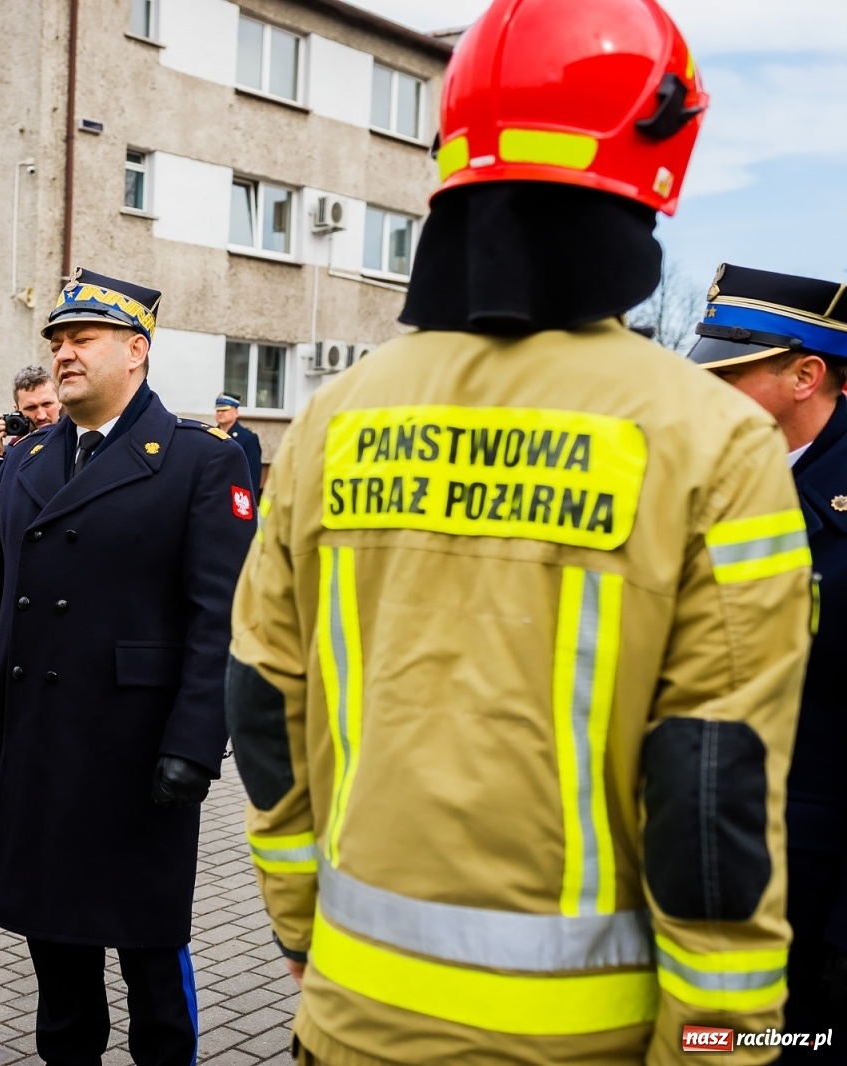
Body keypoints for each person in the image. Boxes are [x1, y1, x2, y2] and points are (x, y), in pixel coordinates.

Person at [225, 2, 814, 1063]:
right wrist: (718, 1046)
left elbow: (262, 700)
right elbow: (710, 788)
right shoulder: (713, 440)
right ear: (660, 149)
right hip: (586, 1038)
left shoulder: (330, 417)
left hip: (349, 1009)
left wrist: (300, 926)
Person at [0, 268, 256, 1066]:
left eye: (82, 339)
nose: (63, 356)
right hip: (38, 742)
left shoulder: (198, 460)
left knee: (150, 955)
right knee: (57, 958)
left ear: (136, 352)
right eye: (56, 342)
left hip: (135, 752)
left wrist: (194, 742)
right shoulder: (29, 458)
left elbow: (218, 617)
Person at [690, 263, 847, 1051]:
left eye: (730, 375)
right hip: (706, 863)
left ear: (806, 375)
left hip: (814, 889)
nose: (708, 397)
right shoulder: (712, 479)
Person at [0, 364, 61, 524]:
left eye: (47, 404)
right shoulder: (10, 453)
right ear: (17, 411)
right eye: (31, 408)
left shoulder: (78, 443)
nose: (41, 415)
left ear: (60, 402)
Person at [214, 394, 262, 498]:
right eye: (218, 410)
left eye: (224, 410)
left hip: (236, 496)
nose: (220, 413)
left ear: (236, 413)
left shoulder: (248, 438)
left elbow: (253, 474)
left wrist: (250, 501)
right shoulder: (211, 435)